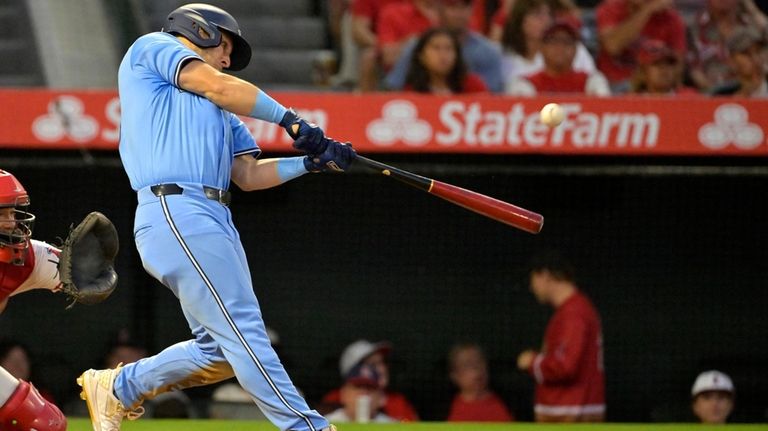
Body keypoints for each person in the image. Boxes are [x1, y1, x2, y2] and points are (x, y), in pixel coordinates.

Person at [75, 4, 355, 431]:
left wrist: (309, 164)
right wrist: (291, 120)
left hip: (213, 214)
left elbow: (247, 174)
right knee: (244, 332)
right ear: (198, 31)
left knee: (222, 351)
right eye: (225, 48)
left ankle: (120, 388)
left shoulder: (220, 111)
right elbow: (218, 85)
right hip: (174, 205)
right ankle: (307, 426)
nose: (226, 60)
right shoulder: (152, 48)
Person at [0, 169, 68, 431]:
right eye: (1, 214)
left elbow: (86, 276)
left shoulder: (25, 259)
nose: (10, 223)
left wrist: (92, 271)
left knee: (46, 423)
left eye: (12, 213)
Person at [516, 251, 605, 422]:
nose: (531, 287)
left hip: (570, 413)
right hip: (574, 409)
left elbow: (565, 367)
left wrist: (532, 361)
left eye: (533, 279)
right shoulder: (575, 309)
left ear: (545, 275)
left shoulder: (574, 312)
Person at [385, 0, 504, 92]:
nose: (458, 14)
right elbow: (393, 90)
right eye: (452, 7)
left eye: (464, 7)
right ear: (439, 9)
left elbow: (494, 99)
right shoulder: (415, 47)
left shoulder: (488, 52)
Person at [595, 0, 686, 93]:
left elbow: (677, 66)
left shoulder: (670, 18)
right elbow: (612, 46)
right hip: (612, 87)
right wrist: (647, 10)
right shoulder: (611, 8)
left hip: (652, 88)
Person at [500, 0, 596, 87]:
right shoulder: (505, 55)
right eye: (537, 14)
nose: (546, 20)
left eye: (549, 15)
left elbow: (592, 84)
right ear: (520, 21)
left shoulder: (572, 48)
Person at [321, 339, 419, 421]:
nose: (382, 369)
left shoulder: (398, 401)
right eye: (372, 364)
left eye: (383, 362)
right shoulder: (332, 402)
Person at [506, 20, 610, 95]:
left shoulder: (592, 81)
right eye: (554, 41)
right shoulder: (525, 83)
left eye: (567, 42)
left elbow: (604, 108)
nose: (560, 47)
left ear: (576, 49)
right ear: (542, 47)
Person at [686, 0, 768, 92]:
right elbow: (693, 71)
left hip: (755, 91)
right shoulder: (693, 27)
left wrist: (753, 9)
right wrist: (717, 93)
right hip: (710, 94)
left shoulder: (754, 24)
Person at [403, 27, 489, 94]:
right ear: (421, 56)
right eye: (436, 48)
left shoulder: (473, 86)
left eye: (449, 48)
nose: (443, 54)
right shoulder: (412, 91)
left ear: (457, 56)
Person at [446, 343, 514, 422]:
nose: (476, 368)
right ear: (455, 376)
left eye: (479, 361)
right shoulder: (444, 408)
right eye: (467, 364)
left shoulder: (508, 401)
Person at [325, 363, 396, 423]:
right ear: (343, 394)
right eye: (357, 387)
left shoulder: (392, 427)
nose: (363, 393)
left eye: (369, 388)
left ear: (381, 397)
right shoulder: (324, 425)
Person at [711, 27, 768, 97]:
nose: (755, 59)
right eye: (746, 53)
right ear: (731, 61)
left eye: (758, 51)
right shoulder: (721, 94)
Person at [630, 39, 700, 95]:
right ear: (643, 71)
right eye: (656, 64)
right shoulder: (630, 102)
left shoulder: (689, 97)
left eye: (669, 63)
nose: (664, 68)